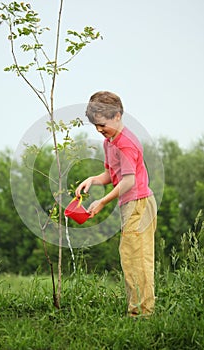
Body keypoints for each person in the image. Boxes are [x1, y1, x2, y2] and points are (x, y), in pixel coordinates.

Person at [75, 91, 157, 317]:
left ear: (118, 116)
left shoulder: (126, 144)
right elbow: (113, 175)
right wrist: (92, 180)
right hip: (130, 204)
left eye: (102, 124)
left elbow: (129, 181)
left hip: (138, 204)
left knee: (135, 259)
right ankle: (140, 310)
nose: (99, 130)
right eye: (95, 126)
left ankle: (141, 315)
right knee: (132, 257)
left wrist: (102, 201)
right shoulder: (110, 142)